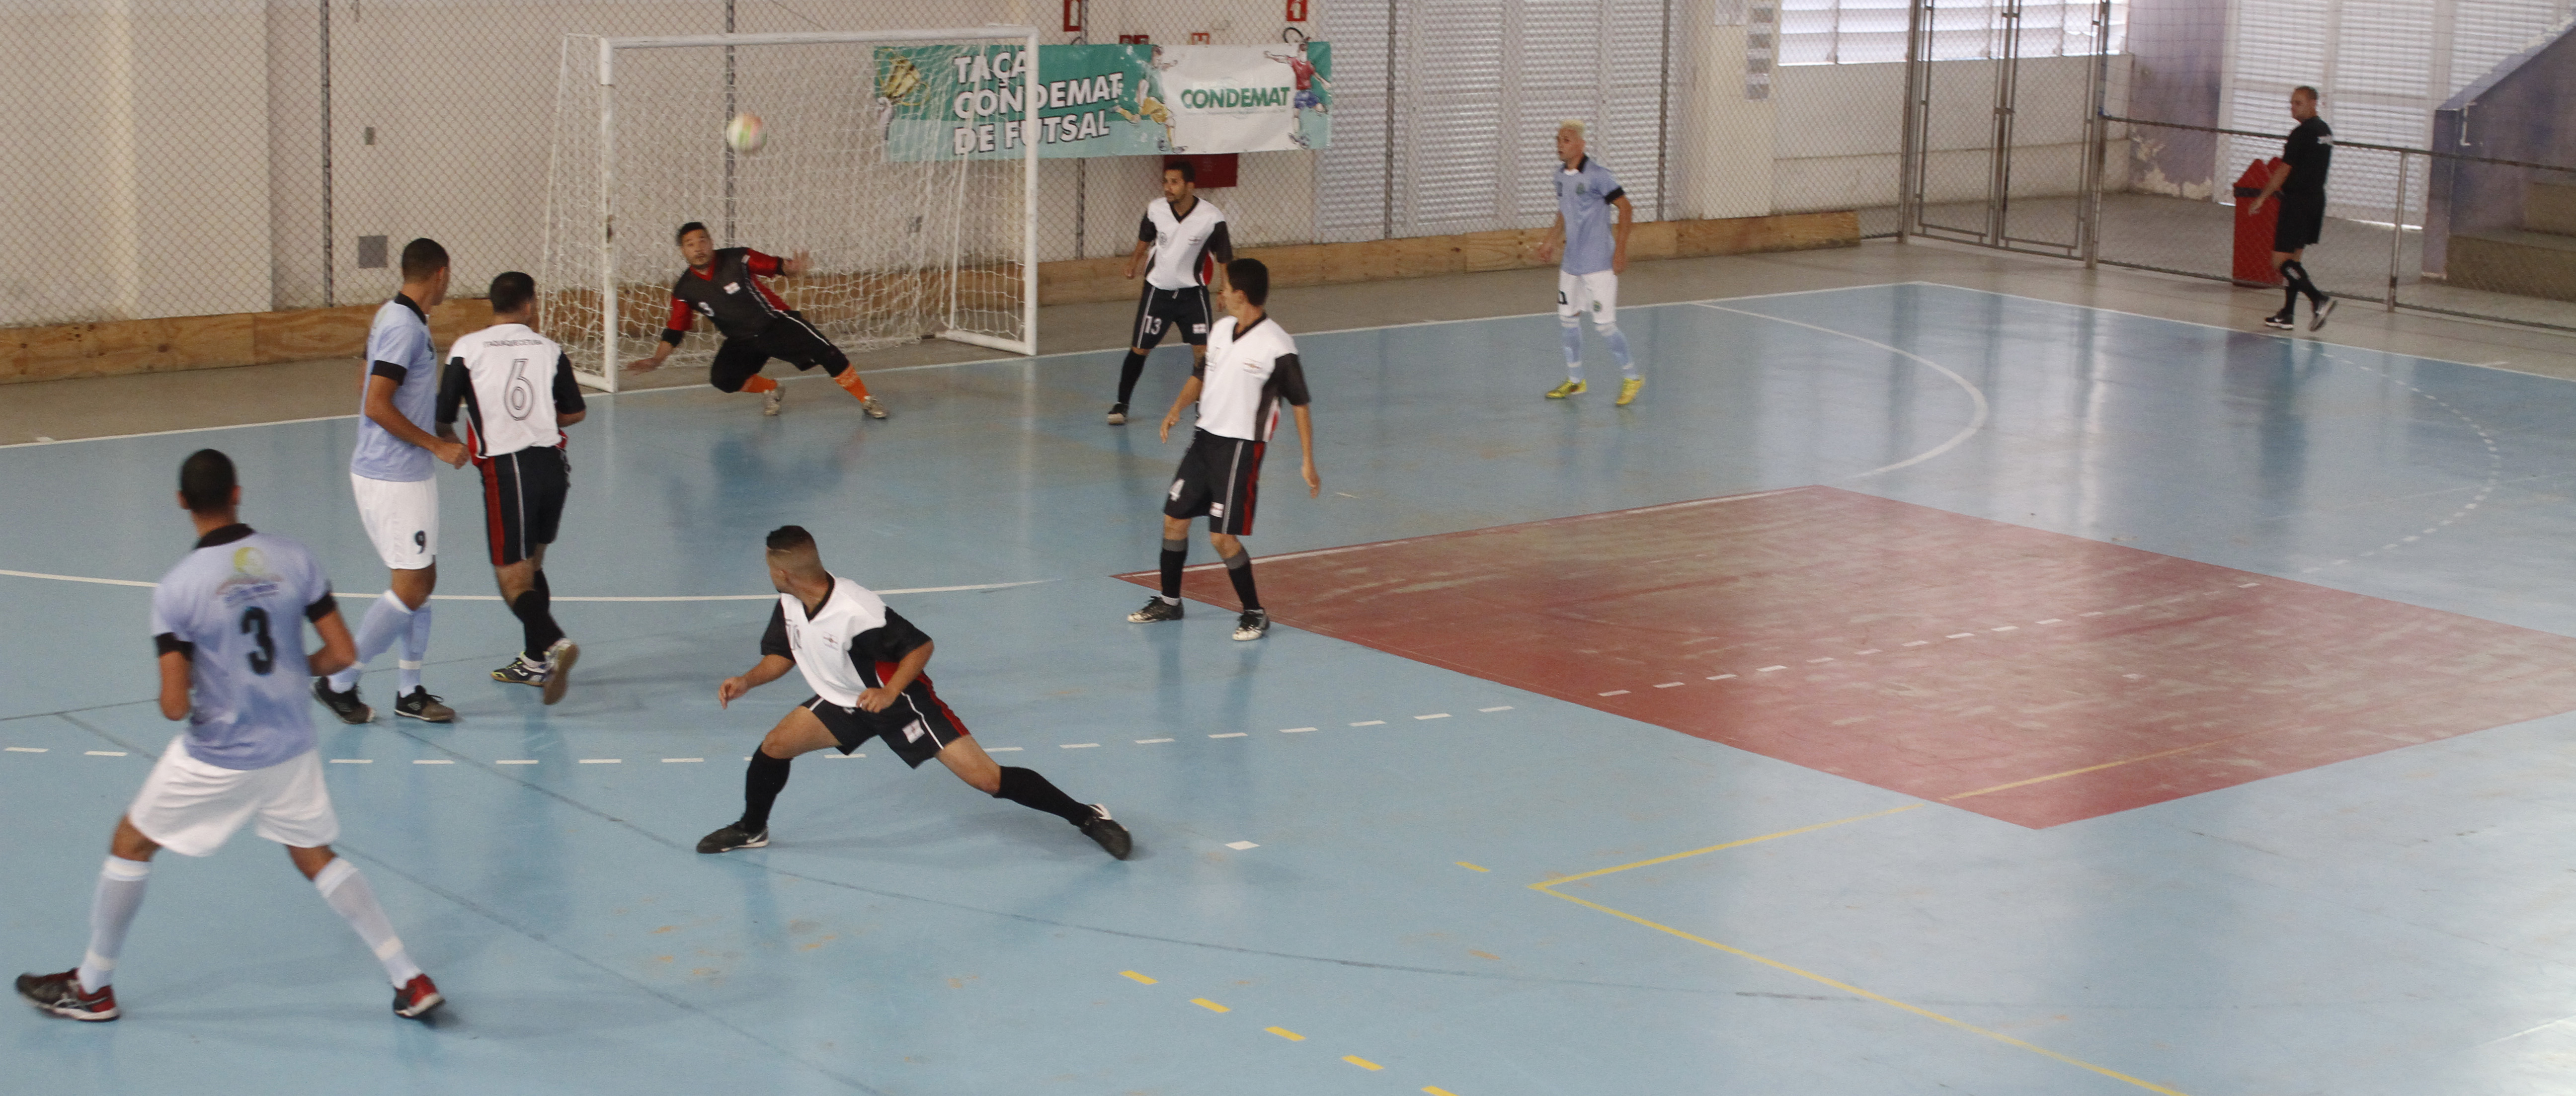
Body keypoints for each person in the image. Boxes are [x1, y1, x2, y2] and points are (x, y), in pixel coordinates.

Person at [16, 450, 444, 1023]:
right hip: (291, 743)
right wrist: (294, 665)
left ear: (181, 503)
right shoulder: (294, 557)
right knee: (315, 855)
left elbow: (173, 705)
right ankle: (409, 978)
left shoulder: (178, 588)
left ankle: (92, 986)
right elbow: (342, 654)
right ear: (238, 493)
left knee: (131, 842)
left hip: (219, 753)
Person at [694, 526, 1134, 860]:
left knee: (987, 779)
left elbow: (920, 646)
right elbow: (784, 655)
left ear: (784, 572)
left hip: (900, 703)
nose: (769, 574)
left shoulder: (856, 610)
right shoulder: (791, 600)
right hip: (845, 700)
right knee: (774, 747)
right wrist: (748, 680)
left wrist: (889, 694)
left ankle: (1087, 816)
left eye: (770, 567)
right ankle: (753, 829)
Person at [314, 238, 467, 727]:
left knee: (420, 579)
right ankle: (339, 681)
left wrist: (432, 422)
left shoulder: (392, 316)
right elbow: (377, 402)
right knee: (413, 583)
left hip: (395, 470)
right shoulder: (404, 326)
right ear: (440, 274)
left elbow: (366, 382)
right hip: (395, 474)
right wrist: (435, 444)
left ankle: (410, 690)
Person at [1126, 258, 1318, 641]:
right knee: (1173, 521)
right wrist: (1177, 408)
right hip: (1204, 440)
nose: (1221, 293)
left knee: (1221, 538)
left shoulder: (1278, 346)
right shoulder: (1221, 329)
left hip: (1241, 450)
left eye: (1225, 287)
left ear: (1241, 295)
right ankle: (1170, 601)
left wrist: (1308, 460)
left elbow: (1299, 404)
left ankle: (1254, 612)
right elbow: (1201, 373)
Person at [436, 272, 586, 705]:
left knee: (513, 580)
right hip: (553, 468)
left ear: (493, 305)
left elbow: (444, 411)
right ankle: (535, 660)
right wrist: (538, 418)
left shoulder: (468, 347)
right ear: (530, 305)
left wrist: (447, 441)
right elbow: (576, 412)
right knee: (534, 565)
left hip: (509, 472)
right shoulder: (549, 348)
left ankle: (555, 644)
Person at [624, 223, 889, 419]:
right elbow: (675, 329)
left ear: (711, 242)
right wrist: (658, 359)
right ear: (682, 251)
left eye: (702, 240)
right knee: (723, 379)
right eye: (690, 244)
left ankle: (866, 399)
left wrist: (791, 269)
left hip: (776, 323)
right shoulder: (685, 290)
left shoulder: (738, 258)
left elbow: (775, 265)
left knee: (828, 353)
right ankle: (772, 388)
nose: (698, 248)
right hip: (741, 340)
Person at [1110, 160, 1234, 426]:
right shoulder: (1156, 209)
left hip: (1193, 295)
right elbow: (1146, 236)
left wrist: (1226, 288)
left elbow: (1224, 254)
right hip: (1158, 293)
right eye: (1166, 182)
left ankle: (1204, 405)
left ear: (1190, 186)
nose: (1168, 187)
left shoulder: (1211, 217)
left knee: (1203, 352)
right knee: (1139, 349)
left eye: (1174, 182)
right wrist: (1134, 261)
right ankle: (1122, 403)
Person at [1536, 120, 1642, 406]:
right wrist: (1550, 241)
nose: (1560, 144)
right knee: (1567, 320)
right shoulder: (1559, 176)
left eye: (1567, 140)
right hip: (1572, 263)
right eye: (1558, 139)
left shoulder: (1598, 176)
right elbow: (1564, 211)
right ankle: (1575, 381)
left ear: (1582, 145)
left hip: (1599, 263)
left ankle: (1632, 377)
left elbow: (1626, 208)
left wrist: (1620, 251)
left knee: (1604, 325)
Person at [2245, 86, 2337, 332]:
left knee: (2280, 262)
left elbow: (2283, 171)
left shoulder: (2301, 134)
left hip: (2297, 203)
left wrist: (2262, 198)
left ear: (2314, 103)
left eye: (2298, 103)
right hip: (2316, 201)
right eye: (2292, 103)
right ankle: (2287, 314)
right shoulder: (2325, 131)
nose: (2293, 108)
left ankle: (2319, 299)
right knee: (2294, 262)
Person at [1264, 40, 1331, 148]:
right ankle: (1297, 137)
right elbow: (1282, 59)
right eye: (1302, 53)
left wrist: (1324, 81)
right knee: (1296, 114)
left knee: (1316, 107)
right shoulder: (1295, 61)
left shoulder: (1309, 65)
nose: (1304, 55)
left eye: (1305, 53)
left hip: (1307, 92)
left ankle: (1323, 109)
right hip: (1301, 93)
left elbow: (1316, 75)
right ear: (1299, 52)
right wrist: (1271, 56)